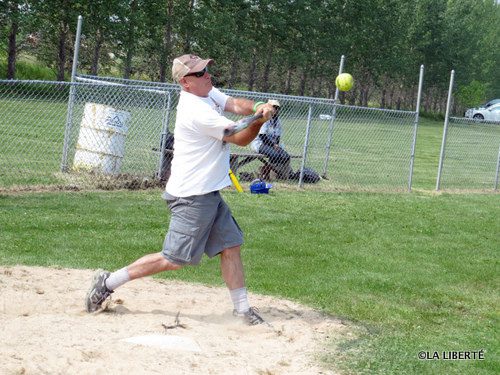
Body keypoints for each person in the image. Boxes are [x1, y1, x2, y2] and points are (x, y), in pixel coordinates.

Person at [84, 54, 276, 326]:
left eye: (207, 69)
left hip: (208, 192)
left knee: (231, 246)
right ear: (186, 82)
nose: (207, 74)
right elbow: (241, 138)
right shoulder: (195, 110)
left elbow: (233, 104)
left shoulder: (206, 93)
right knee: (173, 259)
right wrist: (260, 120)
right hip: (191, 195)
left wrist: (257, 106)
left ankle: (242, 311)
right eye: (200, 73)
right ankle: (108, 282)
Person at [250, 100, 291, 179]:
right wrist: (273, 145)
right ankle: (267, 175)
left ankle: (275, 174)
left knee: (286, 156)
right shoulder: (263, 117)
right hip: (260, 144)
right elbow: (262, 136)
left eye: (277, 108)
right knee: (275, 155)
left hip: (272, 145)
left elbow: (278, 137)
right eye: (273, 107)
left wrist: (276, 144)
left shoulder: (277, 121)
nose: (275, 109)